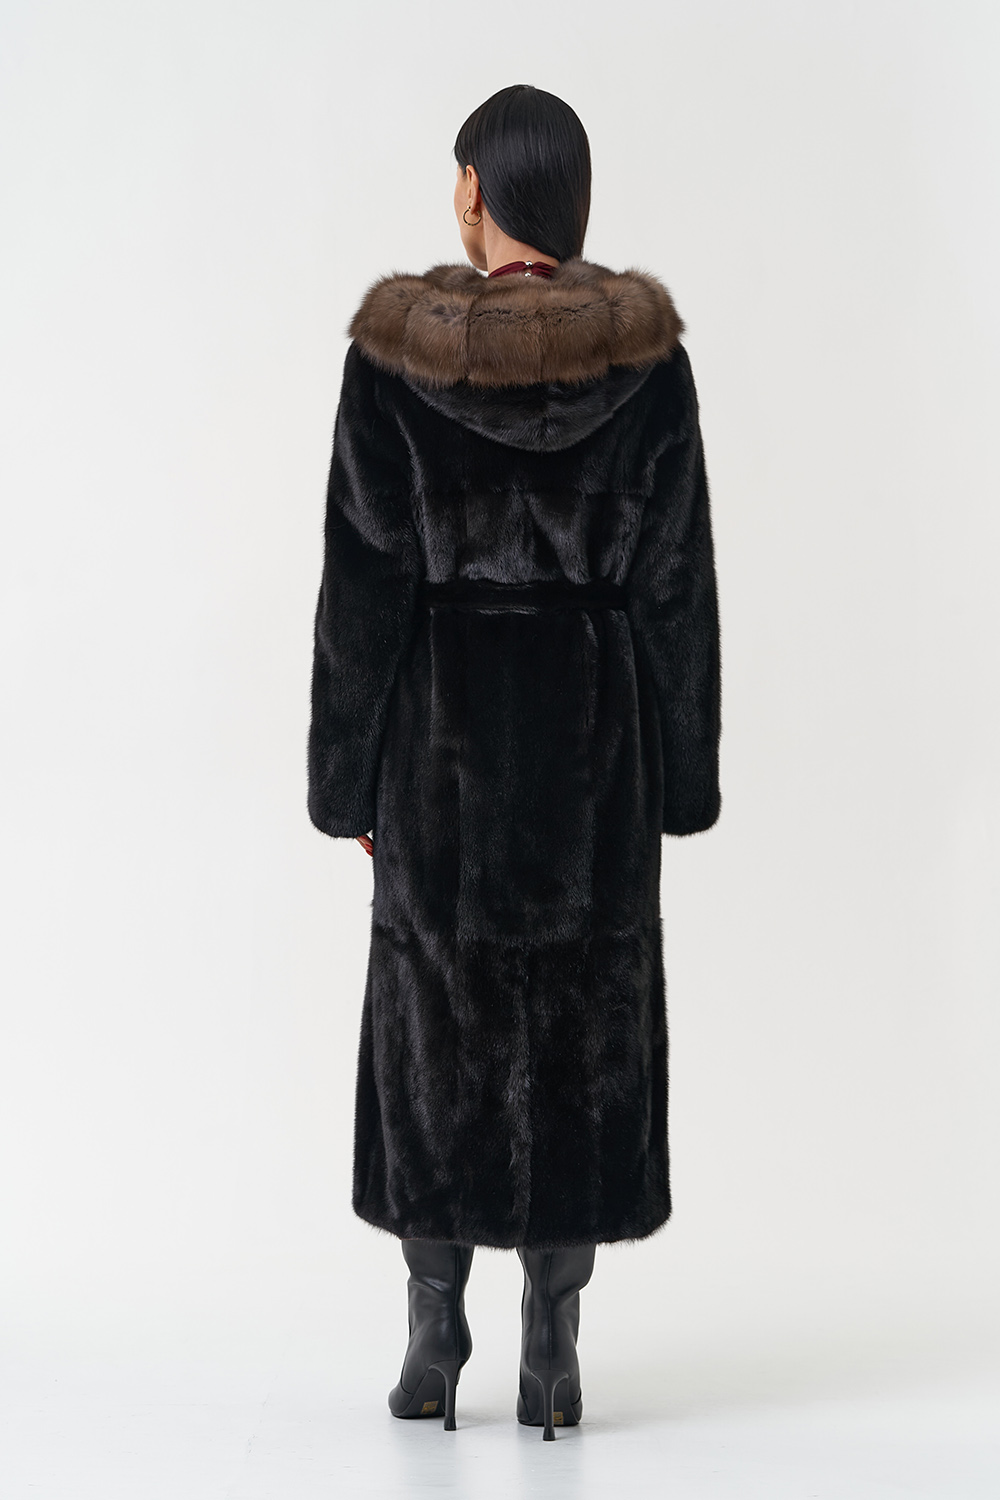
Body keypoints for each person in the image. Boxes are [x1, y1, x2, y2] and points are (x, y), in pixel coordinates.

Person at [307, 84, 723, 1441]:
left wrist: (344, 779)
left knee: (434, 1023)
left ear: (481, 191)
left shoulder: (395, 364)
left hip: (438, 747)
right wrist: (683, 777)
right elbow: (677, 588)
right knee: (584, 1029)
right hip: (596, 752)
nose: (454, 198)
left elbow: (361, 594)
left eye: (459, 177)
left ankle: (435, 1338)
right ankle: (554, 1349)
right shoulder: (645, 367)